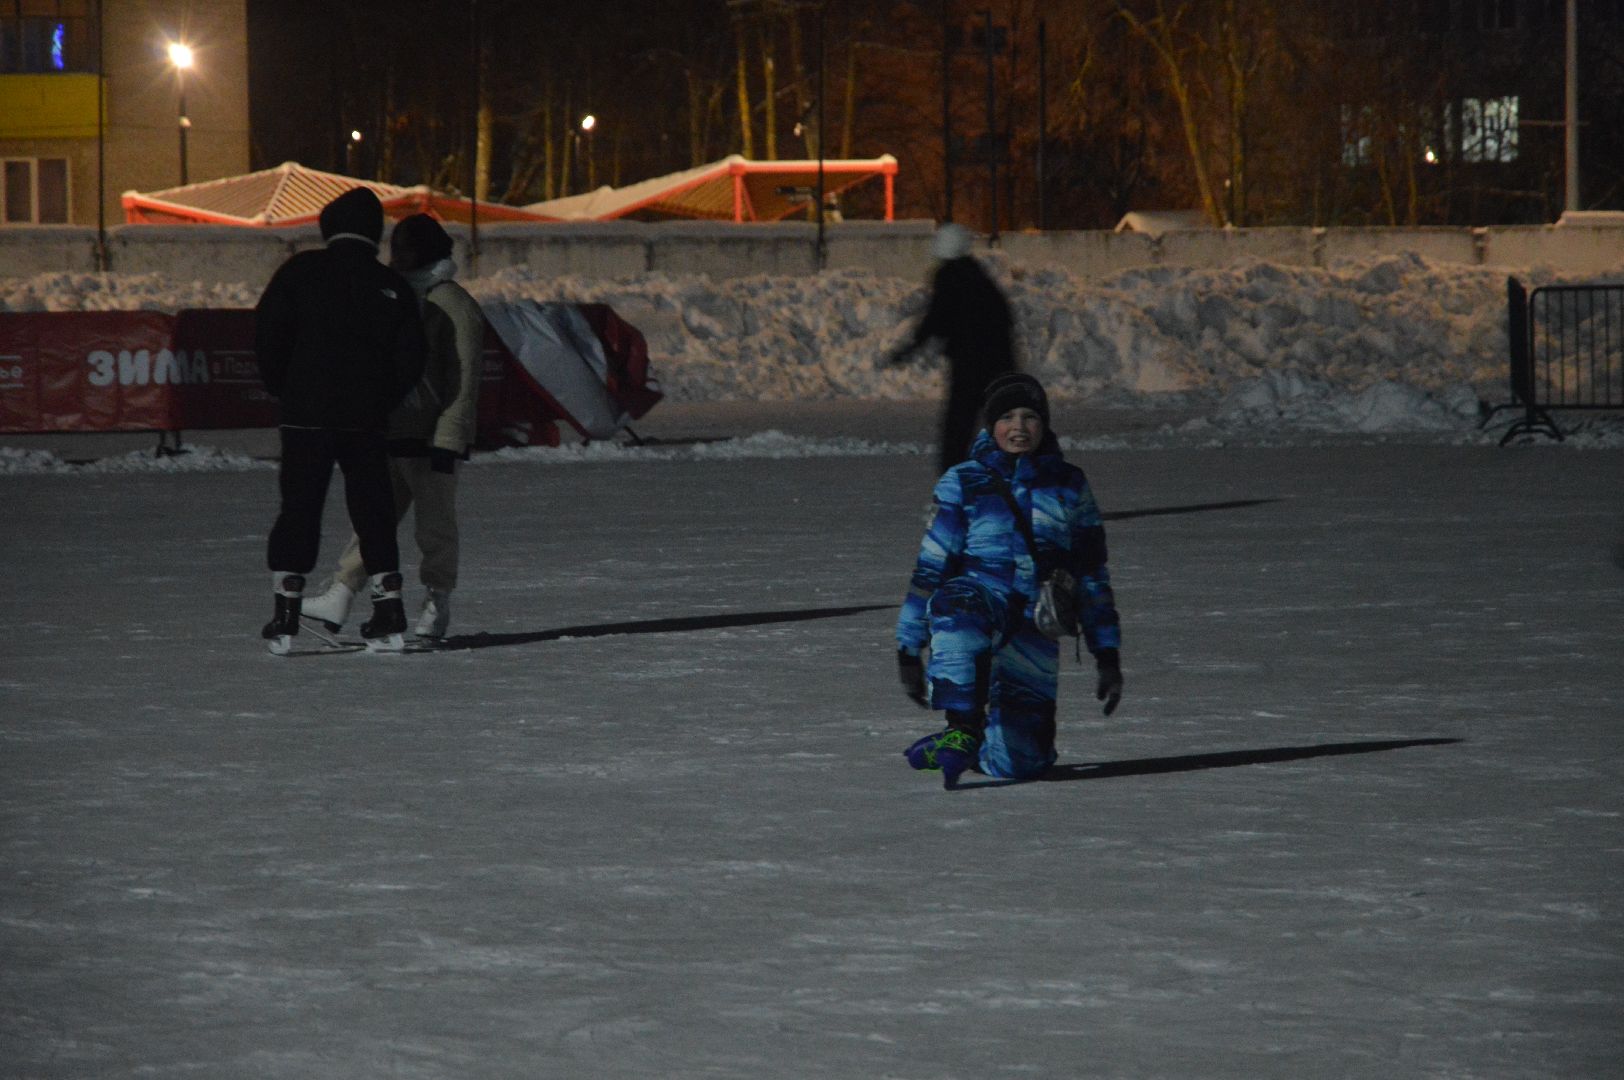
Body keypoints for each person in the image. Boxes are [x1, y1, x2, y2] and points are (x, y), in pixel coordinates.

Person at [895, 372, 1124, 786]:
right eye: (1007, 418)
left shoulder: (1069, 484)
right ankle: (961, 728)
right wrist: (909, 648)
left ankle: (972, 749)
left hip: (1035, 619)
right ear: (991, 425)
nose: (1019, 427)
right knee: (955, 609)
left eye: (1030, 417)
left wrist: (1106, 654)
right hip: (981, 598)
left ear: (1044, 424)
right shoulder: (964, 480)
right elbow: (931, 566)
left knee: (1018, 766)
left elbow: (1092, 572)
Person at [254, 187, 427, 654]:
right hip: (365, 418)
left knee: (300, 508)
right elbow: (412, 356)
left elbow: (268, 334)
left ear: (329, 227)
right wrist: (382, 397)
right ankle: (389, 610)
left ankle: (285, 612)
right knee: (374, 511)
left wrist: (284, 387)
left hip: (306, 415)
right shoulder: (389, 285)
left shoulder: (300, 273)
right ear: (375, 233)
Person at [301, 214, 483, 640]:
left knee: (434, 526)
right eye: (393, 246)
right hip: (391, 432)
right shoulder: (394, 296)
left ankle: (438, 600)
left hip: (433, 438)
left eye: (403, 248)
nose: (393, 255)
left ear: (426, 250)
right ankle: (342, 592)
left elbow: (465, 377)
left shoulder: (453, 304)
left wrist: (451, 438)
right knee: (374, 520)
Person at [884, 222, 1018, 475]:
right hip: (996, 361)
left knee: (958, 424)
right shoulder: (976, 273)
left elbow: (935, 319)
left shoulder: (949, 275)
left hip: (971, 362)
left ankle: (952, 476)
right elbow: (1003, 318)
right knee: (1000, 421)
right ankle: (1016, 475)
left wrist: (908, 349)